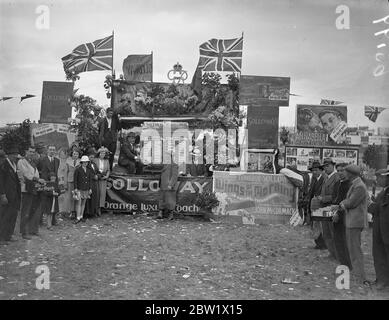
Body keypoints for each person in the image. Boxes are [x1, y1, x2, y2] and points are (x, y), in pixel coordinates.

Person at [339, 164, 369, 286]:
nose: (344, 174)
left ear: (351, 174)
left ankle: (360, 278)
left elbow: (351, 203)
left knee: (355, 250)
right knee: (353, 250)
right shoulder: (356, 185)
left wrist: (342, 204)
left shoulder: (359, 186)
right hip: (353, 221)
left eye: (345, 172)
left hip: (355, 222)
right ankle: (358, 275)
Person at [17, 146, 45, 239]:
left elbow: (35, 173)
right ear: (26, 151)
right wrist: (37, 179)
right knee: (25, 211)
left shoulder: (32, 163)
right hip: (25, 189)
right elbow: (26, 174)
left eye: (33, 152)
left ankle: (31, 230)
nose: (31, 153)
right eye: (30, 151)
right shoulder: (21, 162)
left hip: (33, 188)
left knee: (32, 210)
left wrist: (38, 180)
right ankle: (24, 232)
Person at [368, 168, 389, 291]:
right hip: (379, 229)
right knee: (379, 254)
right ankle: (381, 279)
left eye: (380, 177)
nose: (378, 180)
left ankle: (384, 281)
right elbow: (377, 209)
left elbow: (381, 209)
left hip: (386, 230)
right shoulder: (383, 192)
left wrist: (372, 205)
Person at [318, 158, 340, 259]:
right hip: (324, 208)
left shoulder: (336, 178)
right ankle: (332, 252)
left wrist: (323, 198)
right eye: (324, 166)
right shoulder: (326, 178)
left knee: (332, 232)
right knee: (326, 232)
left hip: (332, 207)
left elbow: (336, 196)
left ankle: (337, 254)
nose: (325, 168)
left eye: (327, 166)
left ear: (332, 166)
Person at [332, 163, 352, 268]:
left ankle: (348, 263)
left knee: (344, 240)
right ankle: (343, 262)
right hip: (337, 214)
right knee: (338, 239)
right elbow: (336, 199)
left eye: (342, 170)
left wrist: (338, 213)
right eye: (338, 171)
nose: (340, 173)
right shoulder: (338, 184)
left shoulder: (349, 185)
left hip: (344, 216)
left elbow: (346, 202)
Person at [0, 146, 21, 244]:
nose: (15, 156)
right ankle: (2, 237)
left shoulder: (14, 164)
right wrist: (2, 194)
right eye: (14, 155)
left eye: (16, 155)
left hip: (14, 195)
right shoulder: (4, 164)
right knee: (5, 216)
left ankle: (9, 235)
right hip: (7, 195)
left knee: (12, 216)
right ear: (9, 155)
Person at [37, 145, 60, 226]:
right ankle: (40, 221)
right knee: (43, 202)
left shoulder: (57, 160)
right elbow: (38, 171)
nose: (52, 151)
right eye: (50, 149)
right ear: (47, 150)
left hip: (54, 183)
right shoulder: (42, 159)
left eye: (53, 150)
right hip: (45, 183)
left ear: (55, 151)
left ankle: (53, 220)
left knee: (54, 201)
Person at [307, 161, 327, 249]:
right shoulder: (314, 179)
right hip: (313, 204)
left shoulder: (324, 179)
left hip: (320, 205)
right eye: (313, 170)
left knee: (320, 224)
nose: (314, 172)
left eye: (316, 170)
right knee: (315, 224)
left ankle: (322, 243)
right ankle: (318, 243)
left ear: (320, 170)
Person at [157, 145, 179, 220]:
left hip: (169, 186)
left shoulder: (174, 165)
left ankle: (171, 214)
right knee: (162, 199)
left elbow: (174, 176)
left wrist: (171, 184)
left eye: (167, 156)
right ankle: (160, 212)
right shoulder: (162, 165)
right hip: (163, 186)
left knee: (170, 201)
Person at [61, 149, 80, 218]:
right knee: (69, 196)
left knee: (76, 196)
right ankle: (68, 211)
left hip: (77, 181)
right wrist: (65, 183)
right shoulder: (68, 161)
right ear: (72, 154)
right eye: (74, 154)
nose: (75, 155)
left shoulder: (80, 162)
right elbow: (65, 172)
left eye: (77, 154)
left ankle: (75, 211)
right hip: (70, 181)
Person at [73, 156, 93, 224]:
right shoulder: (78, 170)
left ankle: (81, 216)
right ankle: (77, 217)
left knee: (83, 203)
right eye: (84, 162)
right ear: (81, 162)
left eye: (86, 162)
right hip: (79, 188)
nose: (85, 163)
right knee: (79, 203)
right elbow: (75, 180)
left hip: (86, 188)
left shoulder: (89, 170)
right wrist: (75, 188)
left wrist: (90, 188)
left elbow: (90, 180)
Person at [94, 147, 110, 215]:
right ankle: (95, 208)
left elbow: (108, 170)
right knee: (96, 193)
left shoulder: (107, 161)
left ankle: (100, 208)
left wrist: (107, 176)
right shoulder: (95, 160)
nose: (102, 154)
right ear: (99, 153)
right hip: (97, 179)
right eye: (101, 153)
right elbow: (93, 169)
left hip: (103, 179)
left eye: (104, 153)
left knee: (102, 194)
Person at [85, 148, 99, 218]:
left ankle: (94, 212)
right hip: (89, 183)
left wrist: (98, 176)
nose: (92, 158)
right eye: (91, 157)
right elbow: (87, 173)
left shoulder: (94, 164)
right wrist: (94, 176)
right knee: (89, 198)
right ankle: (88, 213)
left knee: (94, 198)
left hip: (95, 184)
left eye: (93, 157)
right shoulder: (86, 164)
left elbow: (98, 172)